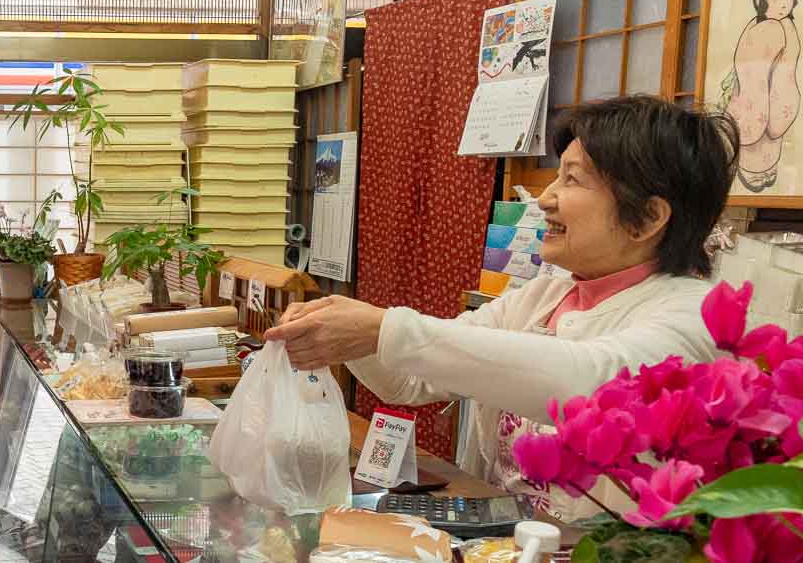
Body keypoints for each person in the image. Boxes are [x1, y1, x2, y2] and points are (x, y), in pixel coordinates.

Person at [266, 95, 739, 522]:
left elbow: (587, 382)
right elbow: (410, 379)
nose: (547, 198)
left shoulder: (694, 314)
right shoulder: (544, 296)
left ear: (649, 218)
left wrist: (382, 329)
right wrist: (349, 334)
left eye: (572, 179)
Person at [721, 0, 801, 192]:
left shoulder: (782, 26)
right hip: (757, 129)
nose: (783, 4)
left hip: (768, 130)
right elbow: (756, 91)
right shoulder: (767, 29)